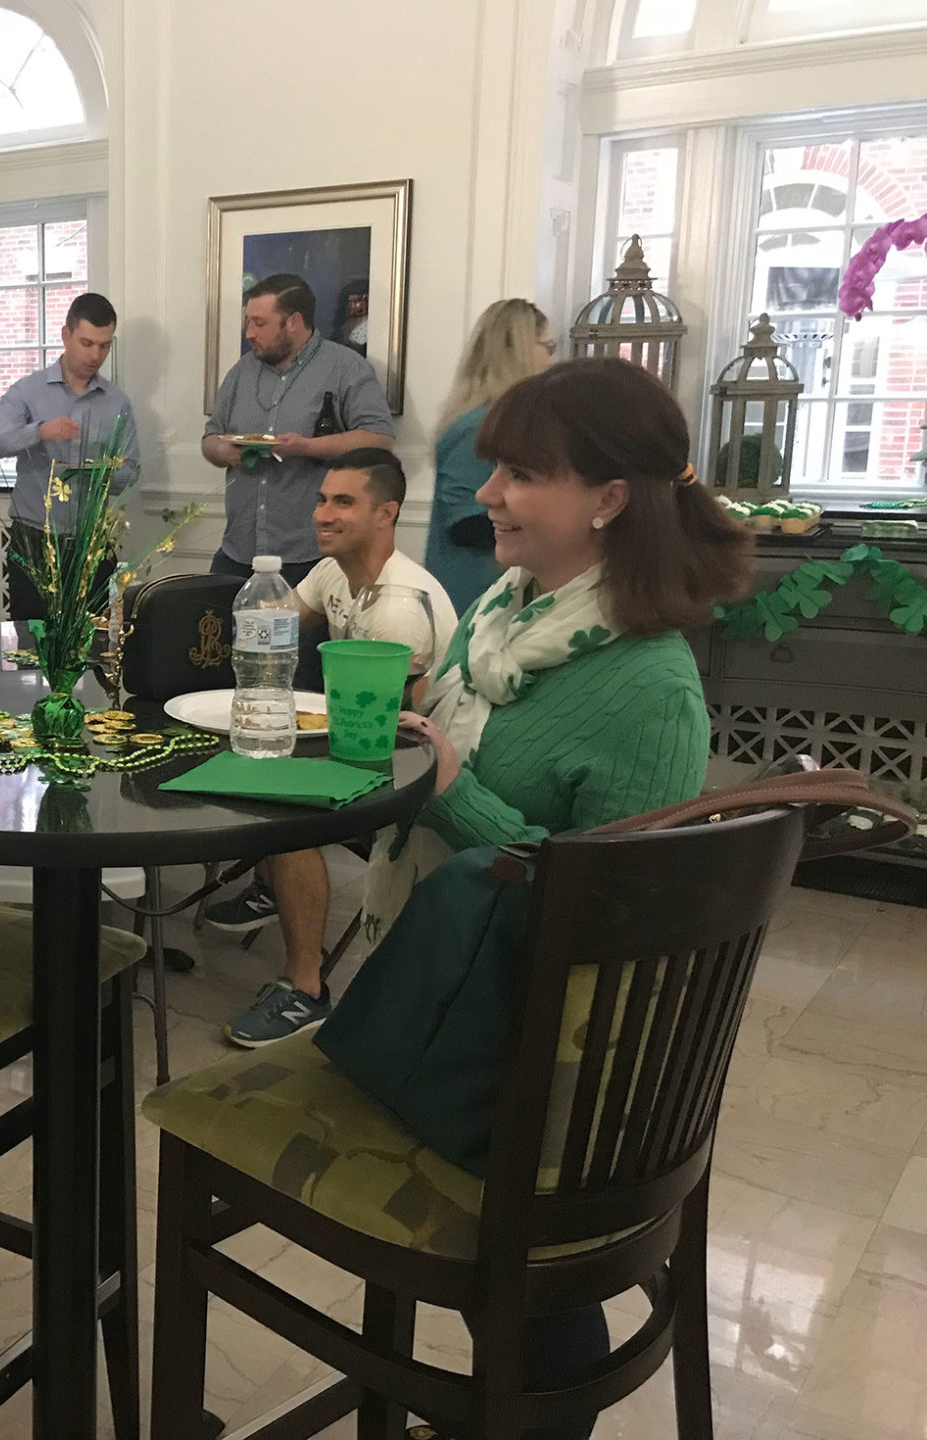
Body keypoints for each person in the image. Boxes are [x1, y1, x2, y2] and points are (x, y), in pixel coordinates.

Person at [373, 356, 753, 1440]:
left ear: (610, 501)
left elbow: (613, 925)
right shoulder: (509, 614)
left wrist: (455, 793)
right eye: (494, 469)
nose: (485, 494)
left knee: (540, 1287)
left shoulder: (647, 684)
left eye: (521, 474)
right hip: (484, 1006)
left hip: (559, 1072)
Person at [209, 449, 458, 1047]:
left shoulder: (398, 607)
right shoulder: (333, 570)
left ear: (387, 514)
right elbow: (270, 632)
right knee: (256, 754)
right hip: (371, 733)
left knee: (283, 805)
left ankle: (306, 991)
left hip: (417, 768)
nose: (322, 512)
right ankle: (277, 889)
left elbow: (397, 732)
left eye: (343, 502)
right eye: (322, 499)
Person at [201, 273, 395, 584]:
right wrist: (228, 453)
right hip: (238, 551)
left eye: (260, 323)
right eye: (247, 321)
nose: (249, 332)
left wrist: (305, 447)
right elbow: (211, 437)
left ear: (293, 322)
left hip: (310, 556)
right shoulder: (241, 371)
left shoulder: (345, 367)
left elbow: (379, 439)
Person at [0, 292, 140, 624]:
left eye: (104, 345)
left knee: (92, 645)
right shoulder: (28, 391)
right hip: (34, 541)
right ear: (66, 335)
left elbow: (131, 470)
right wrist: (38, 431)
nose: (96, 354)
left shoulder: (117, 403)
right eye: (86, 343)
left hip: (92, 544)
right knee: (32, 642)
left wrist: (101, 472)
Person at [425, 297, 559, 615]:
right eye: (548, 347)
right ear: (520, 351)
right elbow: (469, 525)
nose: (553, 361)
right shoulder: (477, 426)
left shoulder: (496, 420)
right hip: (474, 596)